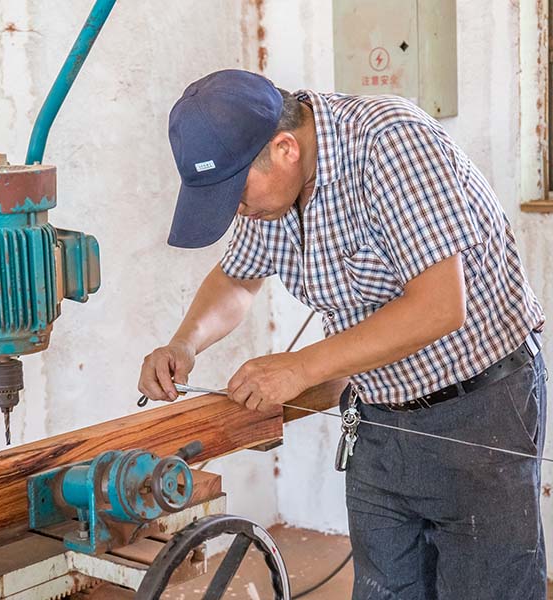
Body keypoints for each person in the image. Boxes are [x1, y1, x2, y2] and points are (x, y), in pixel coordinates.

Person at [137, 69, 547, 599]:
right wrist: (184, 344)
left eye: (237, 195)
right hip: (378, 416)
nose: (238, 210)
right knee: (383, 590)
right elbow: (238, 277)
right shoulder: (272, 190)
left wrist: (300, 367)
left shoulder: (389, 144)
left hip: (479, 410)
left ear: (284, 148)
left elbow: (439, 306)